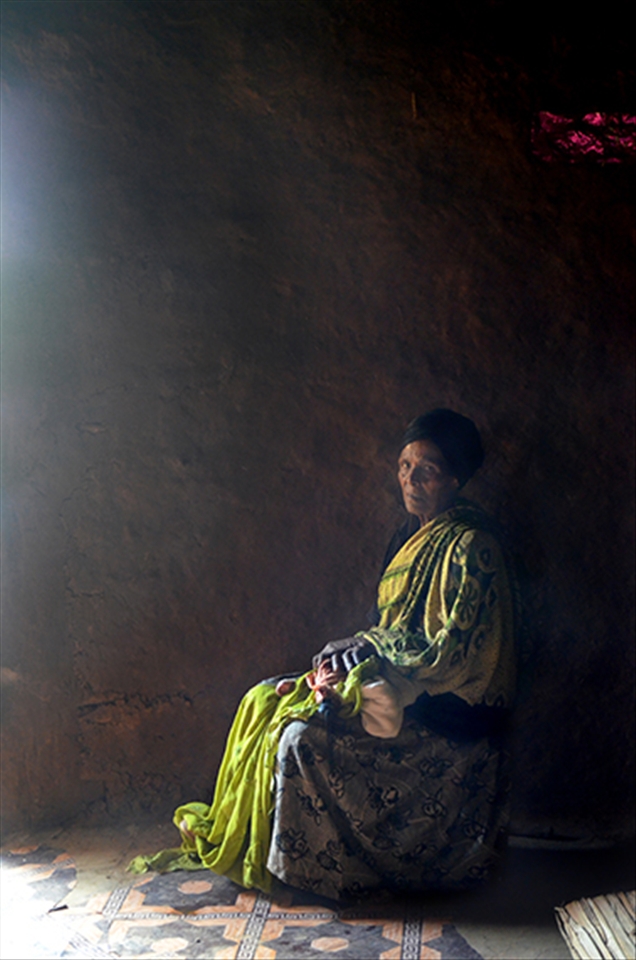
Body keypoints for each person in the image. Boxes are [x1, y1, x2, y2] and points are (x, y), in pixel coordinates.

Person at [129, 409, 517, 901]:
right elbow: (391, 630)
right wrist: (352, 662)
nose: (410, 480)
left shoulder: (472, 546)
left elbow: (453, 651)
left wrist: (368, 647)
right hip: (404, 684)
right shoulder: (408, 537)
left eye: (427, 470)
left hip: (452, 708)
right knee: (265, 699)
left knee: (299, 738)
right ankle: (275, 862)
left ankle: (316, 877)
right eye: (403, 466)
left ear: (456, 478)